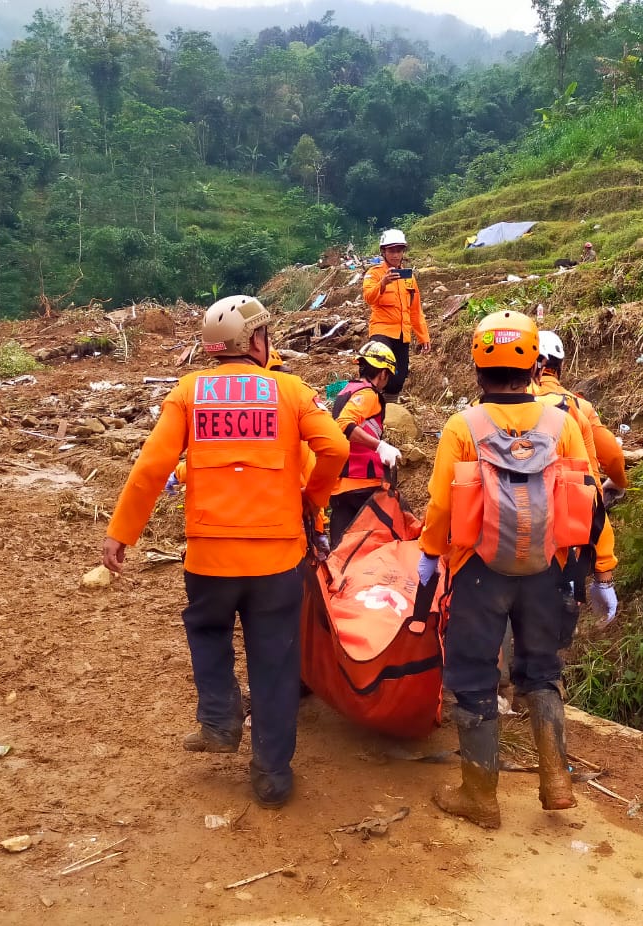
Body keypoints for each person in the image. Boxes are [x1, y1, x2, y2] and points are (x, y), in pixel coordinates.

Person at [102, 295, 348, 809]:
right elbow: (336, 449)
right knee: (275, 661)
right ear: (257, 340)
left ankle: (219, 719)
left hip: (209, 558)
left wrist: (121, 532)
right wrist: (312, 497)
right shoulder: (290, 390)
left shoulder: (189, 392)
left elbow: (152, 468)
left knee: (207, 630)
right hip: (277, 557)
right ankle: (271, 776)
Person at [417, 310, 593, 828]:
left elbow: (441, 506)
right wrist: (600, 568)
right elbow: (588, 498)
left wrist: (430, 555)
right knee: (540, 668)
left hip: (478, 570)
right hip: (547, 568)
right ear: (536, 364)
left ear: (476, 362)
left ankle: (480, 794)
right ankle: (556, 779)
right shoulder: (562, 424)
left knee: (473, 674)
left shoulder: (463, 426)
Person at [535, 330, 626, 625]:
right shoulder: (576, 407)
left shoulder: (486, 410)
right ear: (557, 366)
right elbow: (609, 459)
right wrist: (620, 482)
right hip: (564, 531)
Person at [328, 341, 401, 547]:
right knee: (371, 550)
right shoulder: (368, 395)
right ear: (384, 374)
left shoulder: (346, 391)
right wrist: (380, 446)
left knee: (339, 552)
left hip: (340, 486)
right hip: (363, 485)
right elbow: (344, 424)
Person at [362, 228, 430, 404]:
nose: (396, 255)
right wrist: (382, 283)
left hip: (402, 333)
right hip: (381, 330)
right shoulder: (374, 273)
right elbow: (369, 297)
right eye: (392, 250)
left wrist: (423, 336)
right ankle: (368, 405)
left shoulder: (409, 278)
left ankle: (389, 410)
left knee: (398, 378)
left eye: (399, 250)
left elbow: (415, 310)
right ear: (383, 252)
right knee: (378, 367)